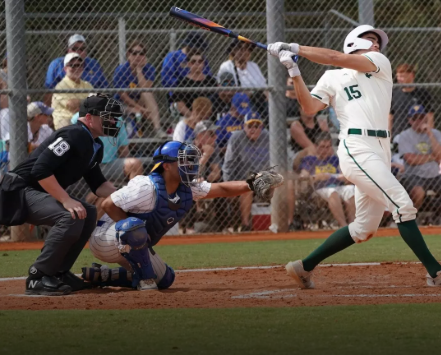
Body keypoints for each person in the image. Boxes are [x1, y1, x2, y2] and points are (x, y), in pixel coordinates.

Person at [267, 24, 441, 289]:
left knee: (364, 229)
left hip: (381, 148)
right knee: (403, 205)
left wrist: (296, 48)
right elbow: (309, 107)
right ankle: (437, 274)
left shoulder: (379, 62)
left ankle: (303, 267)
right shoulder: (331, 78)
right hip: (356, 146)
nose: (376, 44)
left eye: (378, 41)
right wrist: (293, 70)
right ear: (353, 41)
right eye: (369, 39)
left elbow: (335, 57)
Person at [82, 140, 283, 290]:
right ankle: (145, 281)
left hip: (130, 241)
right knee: (134, 227)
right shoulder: (145, 185)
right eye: (184, 162)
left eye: (191, 161)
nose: (191, 166)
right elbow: (108, 204)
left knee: (167, 279)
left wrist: (251, 184)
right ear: (166, 166)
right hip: (105, 240)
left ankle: (105, 276)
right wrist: (135, 233)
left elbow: (221, 188)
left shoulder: (186, 188)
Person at [0, 94, 122, 296]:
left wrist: (127, 194)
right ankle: (38, 276)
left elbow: (98, 184)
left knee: (89, 212)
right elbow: (40, 170)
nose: (113, 122)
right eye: (108, 117)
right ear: (89, 117)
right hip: (17, 191)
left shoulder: (95, 145)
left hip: (35, 191)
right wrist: (65, 200)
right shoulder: (74, 134)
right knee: (70, 214)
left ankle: (58, 272)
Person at [397, 105, 441, 223]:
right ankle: (411, 220)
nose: (419, 121)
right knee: (418, 192)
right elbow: (411, 160)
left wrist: (429, 133)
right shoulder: (404, 135)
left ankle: (437, 217)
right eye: (415, 118)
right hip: (413, 175)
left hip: (434, 176)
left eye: (422, 117)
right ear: (410, 120)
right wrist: (431, 157)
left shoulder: (435, 133)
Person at [296, 132, 355, 228]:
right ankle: (344, 226)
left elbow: (345, 175)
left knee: (351, 189)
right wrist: (317, 177)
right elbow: (304, 176)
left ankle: (354, 225)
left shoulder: (334, 160)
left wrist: (341, 177)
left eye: (328, 147)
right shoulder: (310, 160)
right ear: (316, 146)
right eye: (322, 147)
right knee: (332, 192)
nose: (325, 150)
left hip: (338, 186)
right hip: (319, 190)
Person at [222, 114, 270, 231]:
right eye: (250, 126)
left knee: (286, 185)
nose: (253, 129)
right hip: (243, 178)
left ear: (261, 127)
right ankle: (246, 225)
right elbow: (228, 164)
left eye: (257, 126)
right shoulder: (236, 138)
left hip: (265, 177)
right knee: (247, 187)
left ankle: (287, 222)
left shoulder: (267, 136)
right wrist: (228, 183)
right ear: (244, 127)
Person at [113, 40, 165, 138]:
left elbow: (146, 88)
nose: (138, 56)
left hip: (142, 102)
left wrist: (139, 70)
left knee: (146, 93)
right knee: (137, 111)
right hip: (122, 104)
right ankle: (139, 134)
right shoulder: (120, 70)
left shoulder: (149, 68)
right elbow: (123, 96)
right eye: (134, 53)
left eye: (141, 53)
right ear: (129, 55)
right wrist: (140, 109)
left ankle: (157, 129)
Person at [44, 34, 108, 105]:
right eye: (74, 48)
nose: (78, 51)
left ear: (86, 51)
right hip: (66, 104)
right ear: (68, 50)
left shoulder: (94, 64)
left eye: (82, 49)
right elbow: (49, 92)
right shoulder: (57, 64)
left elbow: (104, 90)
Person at [218, 40, 268, 116]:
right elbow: (226, 90)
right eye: (241, 49)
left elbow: (264, 87)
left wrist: (266, 95)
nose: (246, 52)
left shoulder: (253, 66)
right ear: (233, 51)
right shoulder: (226, 66)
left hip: (259, 100)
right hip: (239, 102)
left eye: (248, 49)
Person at [389, 63, 434, 138]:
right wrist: (389, 137)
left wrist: (430, 135)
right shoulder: (394, 93)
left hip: (418, 136)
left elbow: (430, 116)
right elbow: (390, 117)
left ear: (411, 76)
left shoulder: (423, 93)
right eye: (398, 76)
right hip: (399, 136)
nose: (399, 79)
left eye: (402, 76)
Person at [52, 53, 94, 129]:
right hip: (67, 122)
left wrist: (79, 104)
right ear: (65, 69)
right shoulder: (61, 86)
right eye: (72, 65)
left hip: (84, 120)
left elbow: (96, 103)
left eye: (79, 65)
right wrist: (88, 103)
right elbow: (71, 104)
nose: (77, 68)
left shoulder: (87, 85)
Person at [172, 49, 217, 117]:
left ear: (203, 63)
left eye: (200, 61)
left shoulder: (211, 80)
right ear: (189, 64)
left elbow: (217, 100)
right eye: (193, 61)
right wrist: (194, 118)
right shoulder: (183, 82)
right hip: (190, 117)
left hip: (210, 116)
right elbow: (180, 105)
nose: (197, 64)